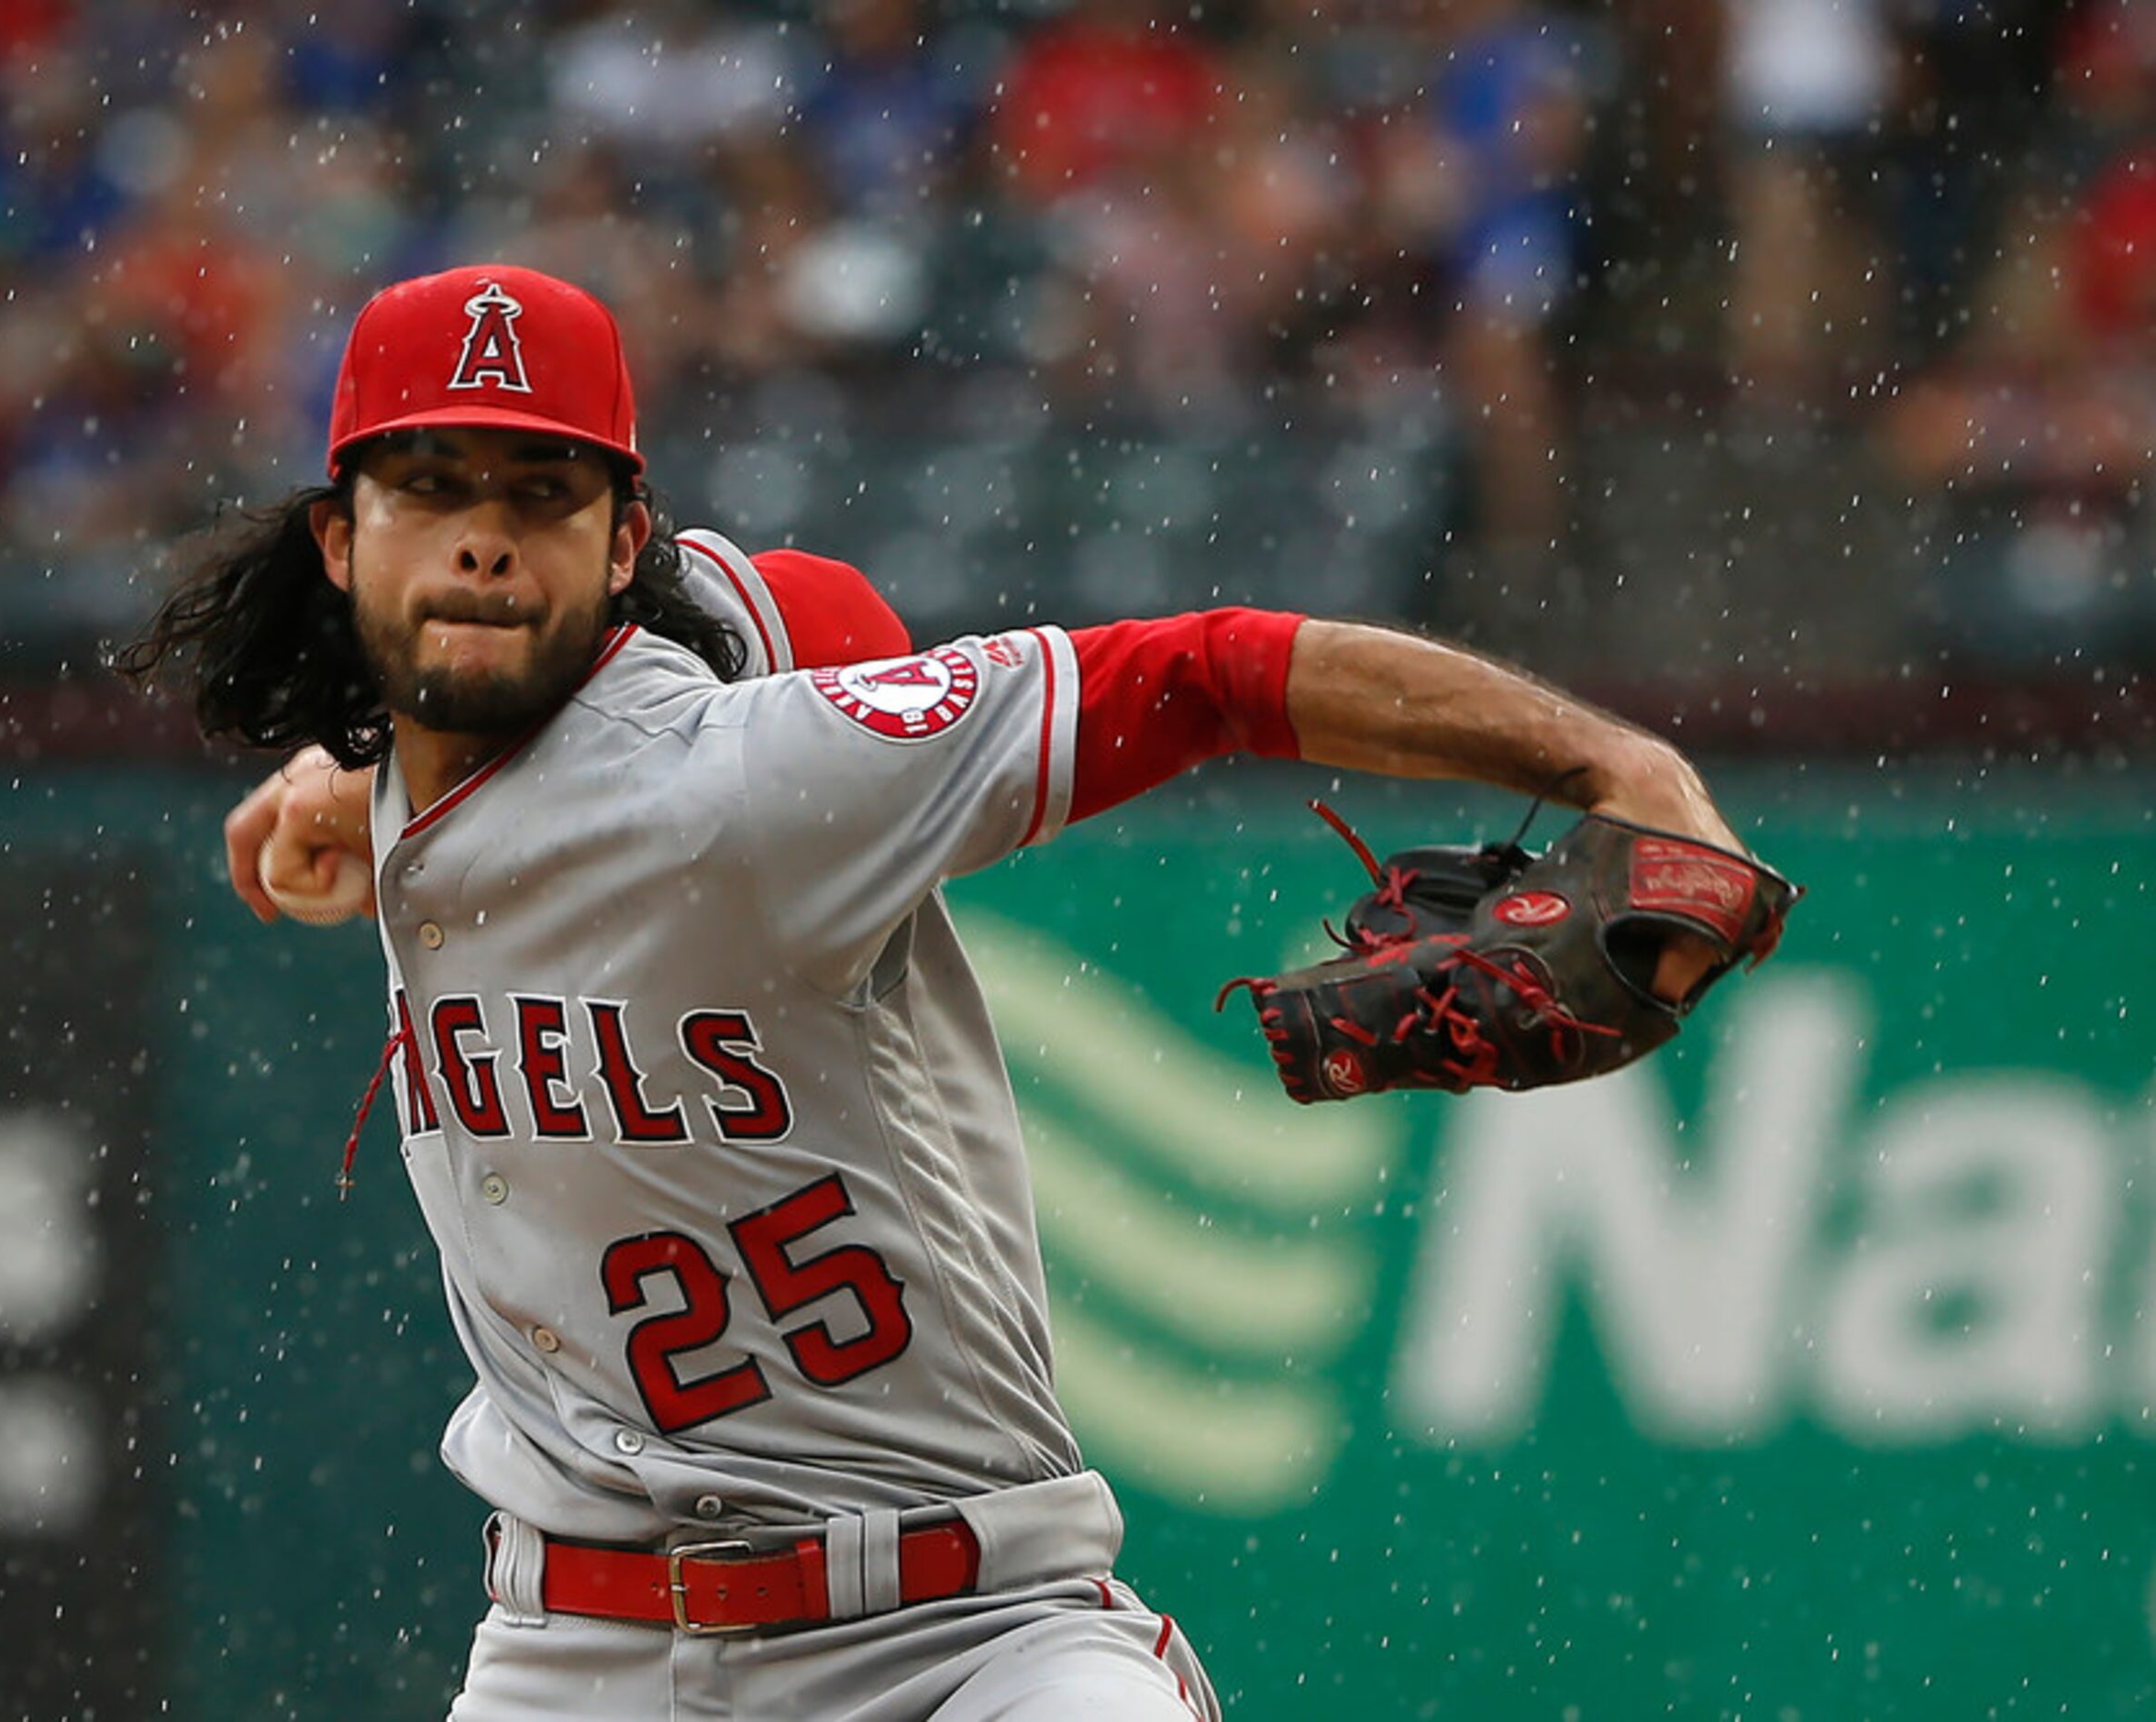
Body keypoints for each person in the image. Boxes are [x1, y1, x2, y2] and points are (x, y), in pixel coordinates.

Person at [119, 263, 1749, 1720]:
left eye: (539, 492)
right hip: (576, 1646)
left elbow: (1209, 668)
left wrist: (1612, 756)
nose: (482, 531)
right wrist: (339, 789)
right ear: (338, 537)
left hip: (966, 1631)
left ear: (618, 548)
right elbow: (751, 619)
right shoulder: (443, 736)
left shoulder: (744, 778)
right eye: (431, 484)